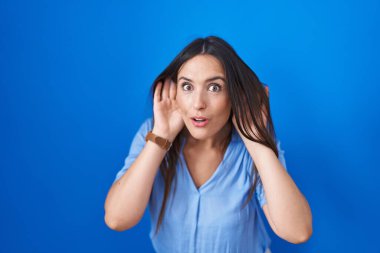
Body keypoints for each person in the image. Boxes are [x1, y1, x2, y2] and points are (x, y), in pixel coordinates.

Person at [104, 36, 313, 253]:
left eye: (214, 87)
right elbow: (117, 219)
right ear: (173, 92)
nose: (198, 104)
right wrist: (160, 138)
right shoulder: (152, 134)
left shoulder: (248, 147)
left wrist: (256, 141)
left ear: (234, 94)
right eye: (187, 87)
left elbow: (298, 231)